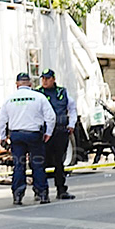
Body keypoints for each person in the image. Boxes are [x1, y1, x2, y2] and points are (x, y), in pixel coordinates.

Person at [0, 72, 56, 205]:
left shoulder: (9, 99)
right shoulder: (39, 97)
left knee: (19, 166)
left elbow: (1, 120)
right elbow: (51, 117)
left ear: (17, 84)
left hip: (16, 136)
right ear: (30, 84)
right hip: (34, 135)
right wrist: (48, 133)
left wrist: (2, 137)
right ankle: (42, 194)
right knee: (38, 165)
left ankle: (18, 195)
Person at [36, 68, 77, 200]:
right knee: (40, 162)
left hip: (60, 131)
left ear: (53, 79)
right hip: (44, 132)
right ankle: (40, 191)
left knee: (59, 162)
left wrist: (71, 124)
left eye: (47, 78)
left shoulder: (62, 92)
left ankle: (61, 190)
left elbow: (72, 108)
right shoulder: (37, 93)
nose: (45, 81)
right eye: (43, 78)